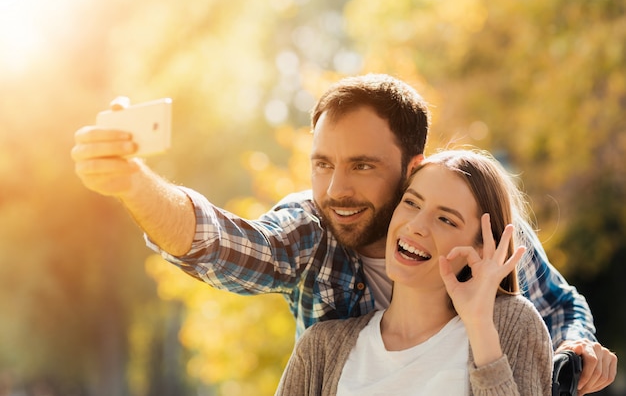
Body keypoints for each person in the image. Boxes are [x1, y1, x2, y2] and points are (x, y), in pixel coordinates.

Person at [71, 73, 616, 394]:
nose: (336, 190)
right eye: (322, 164)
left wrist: (577, 349)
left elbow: (557, 306)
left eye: (362, 166)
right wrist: (134, 185)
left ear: (412, 166)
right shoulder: (314, 238)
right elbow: (223, 244)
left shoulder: (488, 246)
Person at [275, 149, 553, 395]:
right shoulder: (320, 349)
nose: (417, 225)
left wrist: (480, 327)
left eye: (446, 219)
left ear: (482, 249)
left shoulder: (511, 323)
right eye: (411, 203)